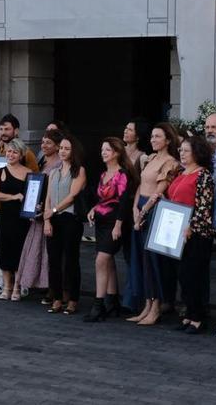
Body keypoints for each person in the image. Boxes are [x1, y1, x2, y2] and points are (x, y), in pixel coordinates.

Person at [127, 123, 180, 325]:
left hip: (154, 210)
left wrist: (143, 214)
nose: (153, 140)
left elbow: (159, 191)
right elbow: (141, 185)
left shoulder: (170, 162)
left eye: (158, 136)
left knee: (154, 262)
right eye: (152, 136)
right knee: (143, 260)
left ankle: (156, 306)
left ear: (167, 140)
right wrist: (134, 209)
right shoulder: (149, 159)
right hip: (140, 206)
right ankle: (147, 305)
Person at [0, 114, 40, 295]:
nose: (3, 132)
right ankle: (2, 281)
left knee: (19, 246)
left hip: (18, 212)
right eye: (1, 129)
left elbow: (35, 182)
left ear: (16, 130)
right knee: (0, 246)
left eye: (7, 129)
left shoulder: (27, 154)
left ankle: (20, 284)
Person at [83, 137, 135, 322]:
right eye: (102, 149)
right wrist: (93, 208)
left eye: (107, 150)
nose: (103, 153)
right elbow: (102, 199)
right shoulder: (103, 174)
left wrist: (118, 225)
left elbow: (122, 203)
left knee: (101, 260)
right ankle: (112, 302)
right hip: (101, 221)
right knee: (108, 260)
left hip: (114, 222)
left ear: (117, 153)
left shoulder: (122, 175)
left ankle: (98, 305)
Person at [169, 135, 216, 334]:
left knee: (194, 276)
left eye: (186, 150)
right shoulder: (181, 172)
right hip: (178, 232)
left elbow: (204, 207)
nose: (182, 153)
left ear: (197, 153)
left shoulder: (203, 175)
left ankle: (198, 318)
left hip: (196, 234)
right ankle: (188, 315)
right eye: (180, 150)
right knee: (184, 276)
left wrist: (191, 226)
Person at [43, 133, 88, 315]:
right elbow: (48, 197)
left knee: (71, 260)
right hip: (53, 219)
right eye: (61, 148)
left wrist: (53, 211)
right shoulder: (53, 171)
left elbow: (72, 196)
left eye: (66, 148)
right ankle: (56, 298)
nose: (62, 151)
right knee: (53, 260)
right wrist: (47, 219)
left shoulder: (79, 170)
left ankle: (73, 299)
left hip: (70, 219)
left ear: (73, 151)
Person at [16, 130, 63, 301]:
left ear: (57, 146)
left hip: (48, 212)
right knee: (35, 249)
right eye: (43, 142)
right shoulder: (42, 161)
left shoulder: (58, 164)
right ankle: (39, 285)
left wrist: (46, 209)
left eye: (48, 143)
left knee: (47, 253)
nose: (43, 145)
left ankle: (51, 288)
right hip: (36, 212)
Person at [0, 138, 31, 300]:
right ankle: (6, 287)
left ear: (21, 154)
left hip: (21, 219)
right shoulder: (0, 171)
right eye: (9, 151)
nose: (10, 154)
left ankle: (18, 287)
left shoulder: (28, 173)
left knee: (19, 251)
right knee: (5, 250)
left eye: (14, 152)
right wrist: (13, 197)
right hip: (5, 217)